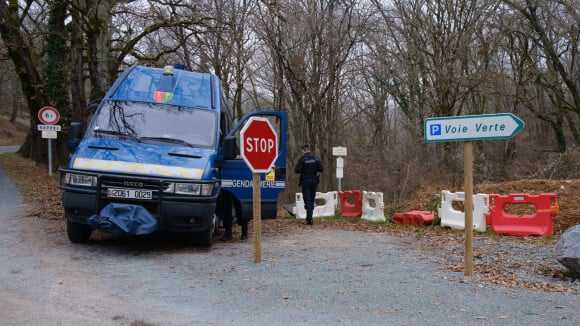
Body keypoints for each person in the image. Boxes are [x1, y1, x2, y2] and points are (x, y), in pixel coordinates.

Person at [294, 144, 323, 225]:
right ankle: (309, 218)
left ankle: (309, 219)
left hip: (305, 181)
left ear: (303, 150)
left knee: (307, 200)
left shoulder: (302, 159)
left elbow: (297, 170)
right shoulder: (316, 158)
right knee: (312, 199)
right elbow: (321, 169)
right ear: (309, 150)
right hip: (314, 181)